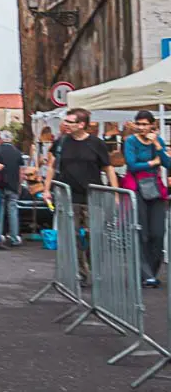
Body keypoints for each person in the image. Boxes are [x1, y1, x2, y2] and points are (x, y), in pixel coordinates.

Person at [44, 107, 118, 282]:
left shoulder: (96, 144)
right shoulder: (61, 142)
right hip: (70, 197)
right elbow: (51, 167)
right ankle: (81, 273)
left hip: (93, 196)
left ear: (81, 124)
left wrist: (114, 192)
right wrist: (46, 189)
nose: (66, 125)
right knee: (73, 236)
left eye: (70, 122)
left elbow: (108, 168)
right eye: (66, 121)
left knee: (96, 235)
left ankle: (95, 266)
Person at [122, 110, 171, 287]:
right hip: (137, 189)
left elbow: (168, 163)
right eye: (139, 124)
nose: (142, 128)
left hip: (156, 189)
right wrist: (152, 163)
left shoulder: (157, 141)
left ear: (152, 125)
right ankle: (146, 273)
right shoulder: (130, 142)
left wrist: (158, 146)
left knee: (158, 233)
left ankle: (152, 270)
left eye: (145, 124)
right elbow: (132, 164)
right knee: (142, 233)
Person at [0, 130, 25, 246]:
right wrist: (20, 184)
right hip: (13, 185)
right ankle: (14, 237)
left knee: (0, 211)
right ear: (11, 139)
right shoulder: (17, 152)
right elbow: (21, 171)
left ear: (0, 139)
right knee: (13, 210)